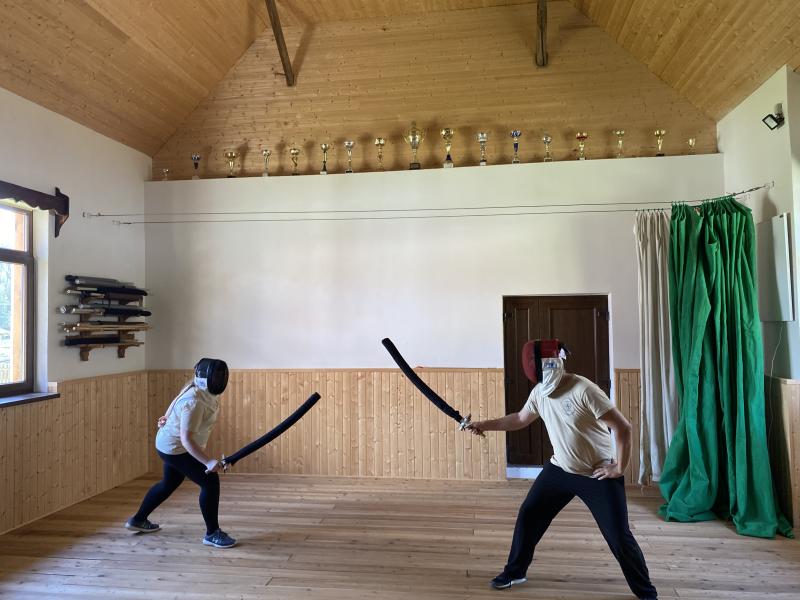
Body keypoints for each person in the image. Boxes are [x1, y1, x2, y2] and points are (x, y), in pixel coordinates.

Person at [467, 340, 658, 600]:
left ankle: (646, 593)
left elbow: (623, 427)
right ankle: (515, 572)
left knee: (619, 537)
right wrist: (484, 424)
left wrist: (619, 468)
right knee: (529, 515)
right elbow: (520, 419)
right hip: (559, 469)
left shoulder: (584, 389)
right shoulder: (539, 393)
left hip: (596, 473)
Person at [124, 358, 236, 548]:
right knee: (210, 482)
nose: (220, 379)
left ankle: (138, 520)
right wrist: (208, 462)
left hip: (169, 444)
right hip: (176, 448)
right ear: (205, 379)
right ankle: (212, 533)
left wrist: (166, 416)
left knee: (169, 483)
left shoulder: (198, 391)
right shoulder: (195, 401)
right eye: (216, 376)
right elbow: (186, 439)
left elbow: (177, 400)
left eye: (221, 375)